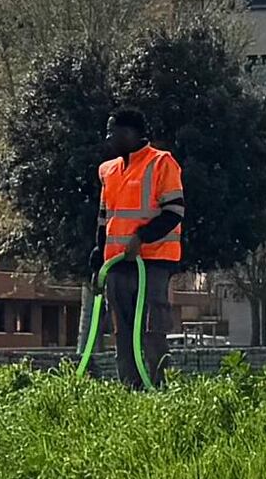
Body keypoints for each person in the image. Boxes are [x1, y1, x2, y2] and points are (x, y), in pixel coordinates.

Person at [80, 105, 188, 386]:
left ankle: (159, 388)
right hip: (117, 265)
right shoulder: (108, 171)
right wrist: (98, 263)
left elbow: (173, 213)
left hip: (151, 263)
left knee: (152, 330)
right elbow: (104, 221)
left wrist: (141, 238)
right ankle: (130, 389)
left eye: (112, 133)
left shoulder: (162, 163)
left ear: (130, 133)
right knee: (122, 333)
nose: (108, 139)